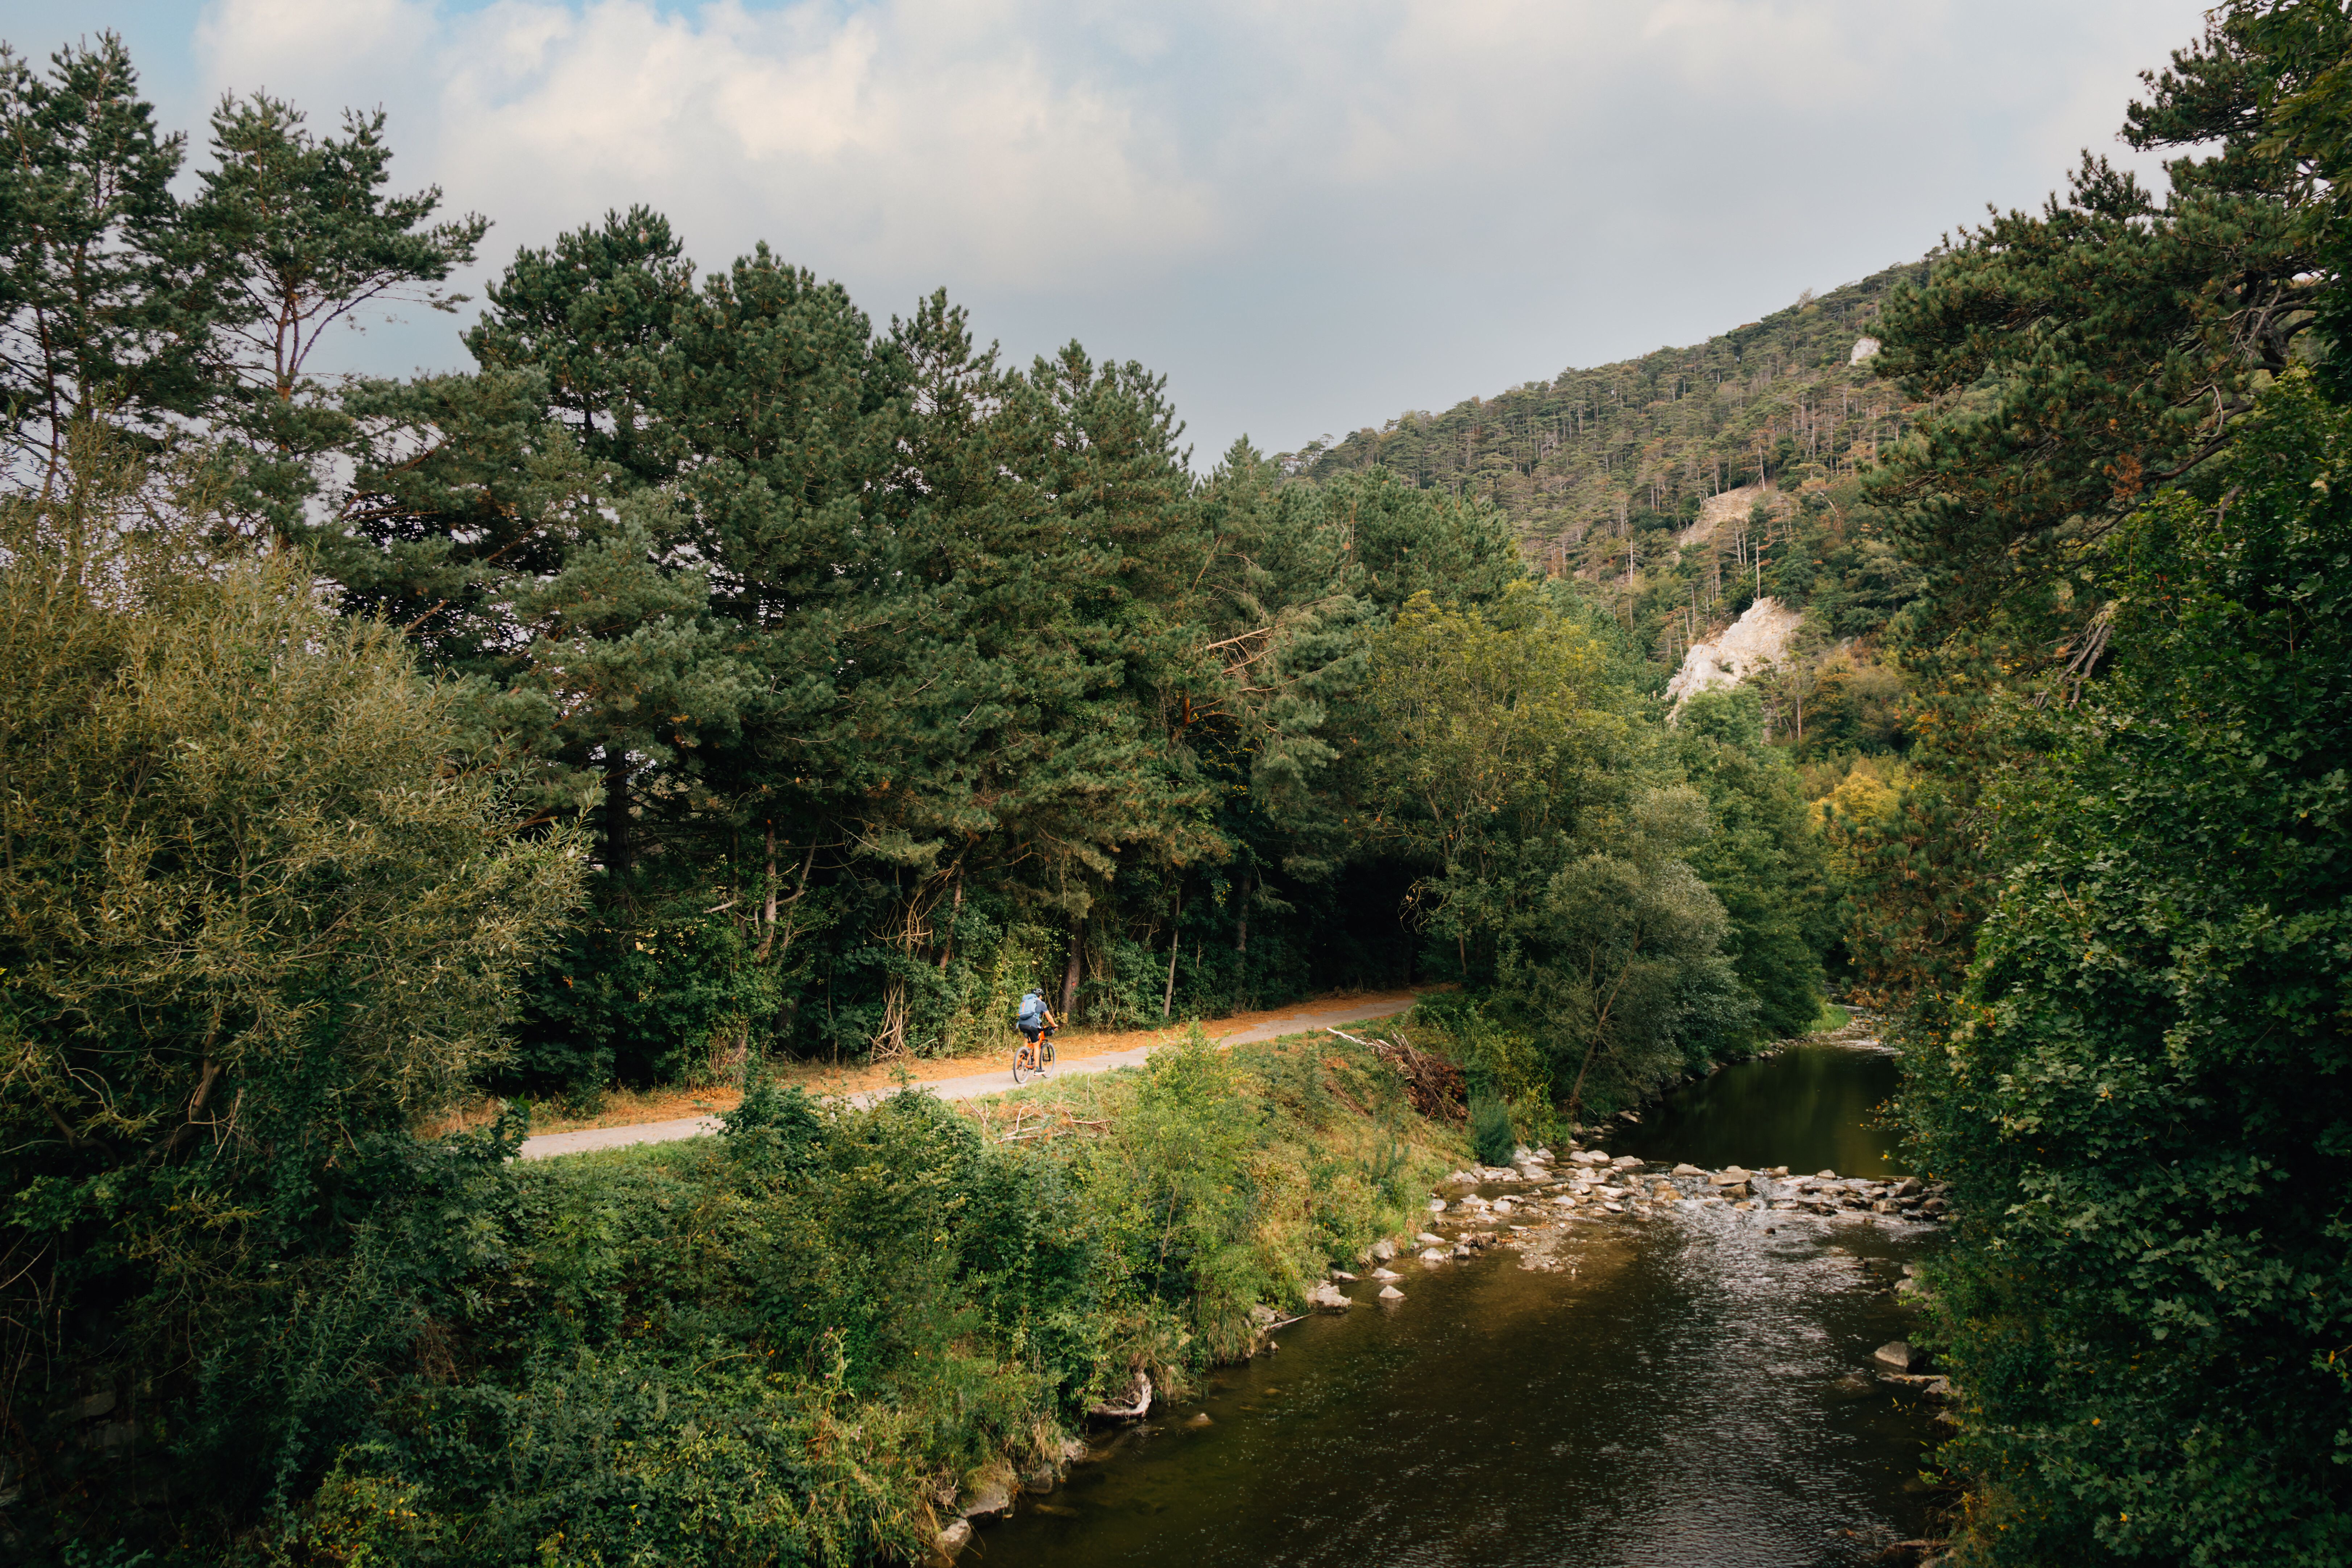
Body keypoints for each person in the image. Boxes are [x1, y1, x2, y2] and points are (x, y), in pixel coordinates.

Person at [1016, 987, 1057, 1073]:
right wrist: (1054, 1025)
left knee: (1027, 1038)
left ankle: (1023, 1055)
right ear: (1040, 996)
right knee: (1036, 1045)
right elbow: (1049, 1018)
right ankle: (1037, 1069)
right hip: (1031, 1025)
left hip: (1021, 1024)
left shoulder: (1026, 1002)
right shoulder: (1041, 1003)